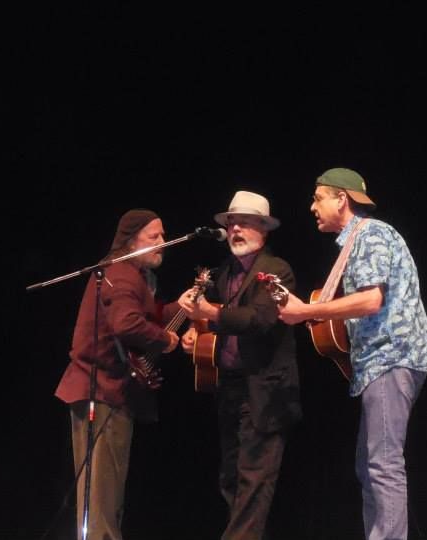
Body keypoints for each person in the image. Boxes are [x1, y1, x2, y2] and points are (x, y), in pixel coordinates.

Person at [278, 167, 427, 540]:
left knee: (382, 464)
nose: (312, 207)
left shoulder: (371, 234)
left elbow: (371, 300)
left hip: (391, 358)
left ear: (342, 199)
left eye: (318, 198)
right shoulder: (356, 241)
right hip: (378, 363)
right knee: (369, 466)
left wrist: (306, 311)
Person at [178, 191, 302, 540]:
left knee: (254, 479)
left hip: (265, 389)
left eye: (245, 223)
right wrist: (196, 329)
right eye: (232, 223)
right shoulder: (222, 273)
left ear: (264, 229)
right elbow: (214, 319)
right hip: (230, 387)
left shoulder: (277, 271)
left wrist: (211, 313)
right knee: (231, 477)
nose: (235, 230)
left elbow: (259, 319)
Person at [55, 209, 180, 540]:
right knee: (102, 495)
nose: (163, 242)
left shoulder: (128, 275)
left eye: (163, 235)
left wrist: (181, 307)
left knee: (106, 493)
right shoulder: (122, 274)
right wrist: (166, 340)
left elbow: (143, 314)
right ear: (131, 241)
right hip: (100, 390)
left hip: (108, 391)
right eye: (154, 236)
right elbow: (127, 323)